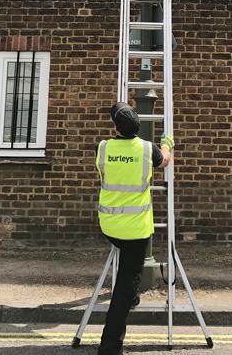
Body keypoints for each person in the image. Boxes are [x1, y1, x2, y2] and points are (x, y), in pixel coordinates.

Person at [96, 102, 175, 355]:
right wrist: (167, 143)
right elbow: (164, 161)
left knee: (127, 271)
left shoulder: (104, 148)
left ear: (115, 128)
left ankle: (130, 296)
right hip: (136, 232)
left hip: (109, 226)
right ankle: (109, 347)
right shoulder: (146, 149)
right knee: (125, 284)